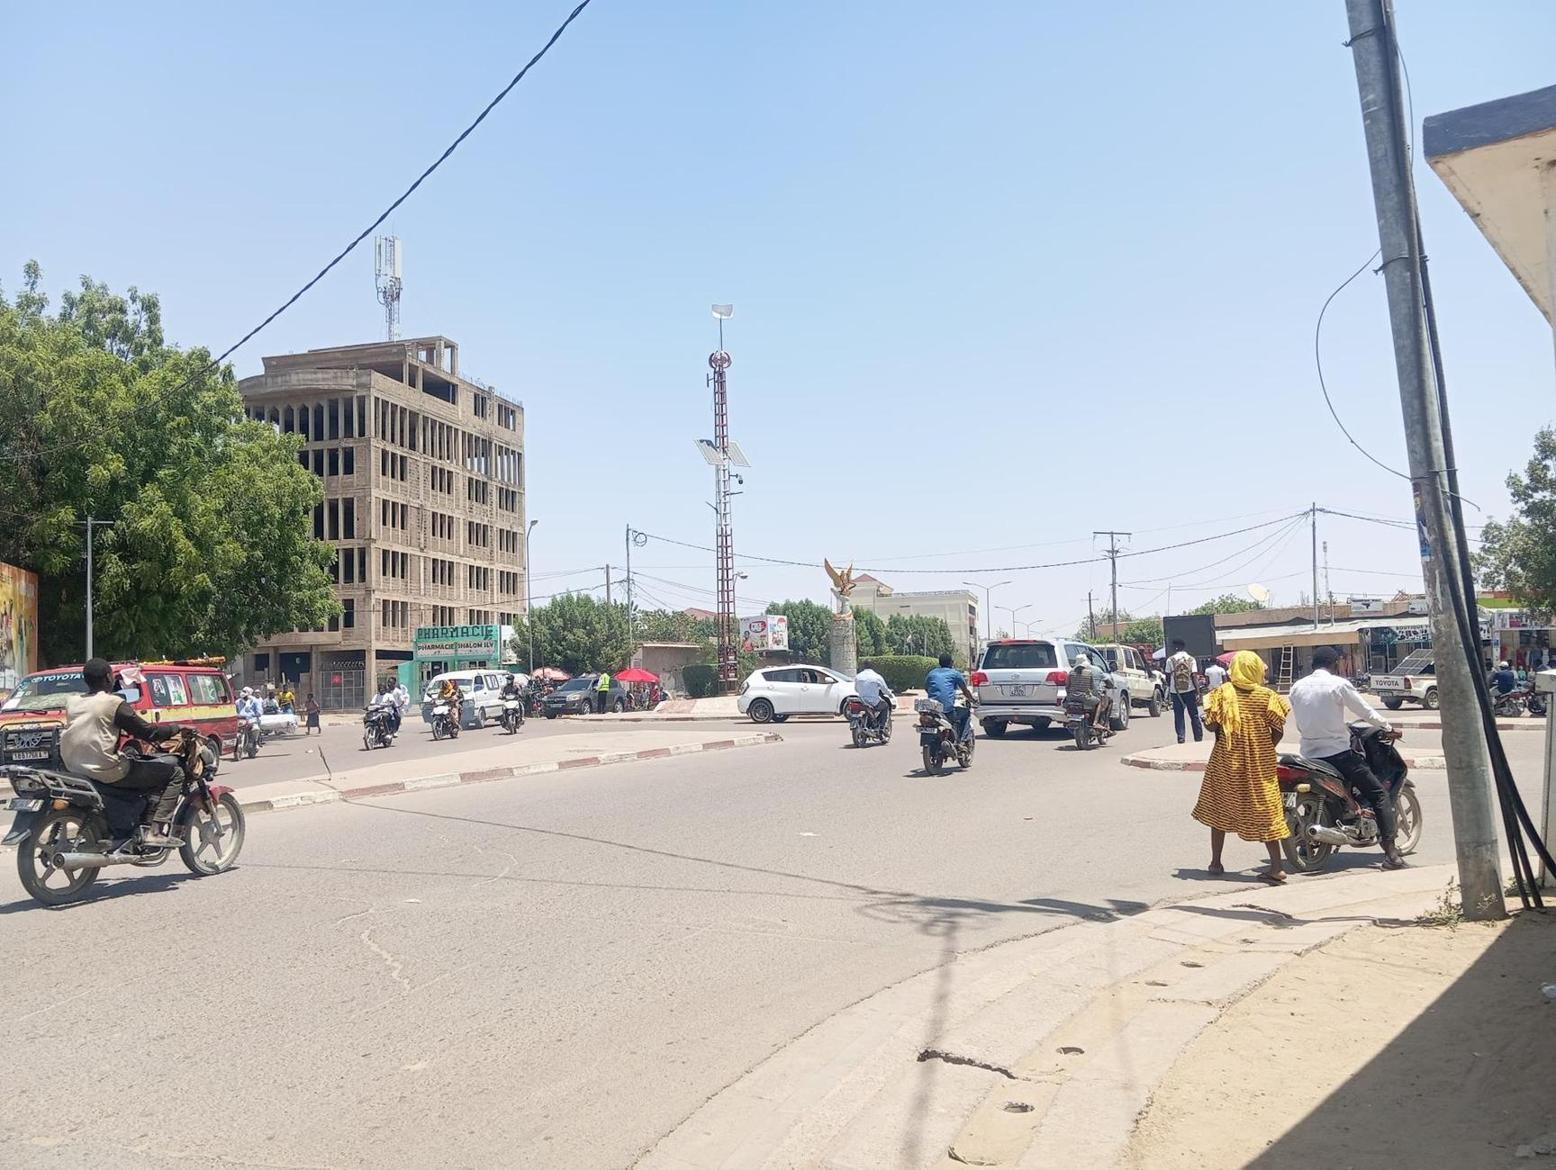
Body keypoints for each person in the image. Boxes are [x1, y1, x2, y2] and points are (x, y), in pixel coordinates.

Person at [1290, 645, 1405, 869]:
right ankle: (1391, 854)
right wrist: (1387, 726)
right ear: (1334, 664)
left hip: (1308, 754)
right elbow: (1365, 711)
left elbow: (1305, 718)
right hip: (1337, 754)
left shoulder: (1297, 687)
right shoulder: (1338, 684)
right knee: (1379, 795)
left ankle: (1308, 843)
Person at [61, 658, 189, 849]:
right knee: (175, 773)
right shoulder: (113, 703)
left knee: (135, 765)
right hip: (105, 770)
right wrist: (175, 728)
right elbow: (148, 732)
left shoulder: (73, 702)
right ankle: (155, 832)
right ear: (108, 677)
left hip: (74, 767)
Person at [1193, 650, 1292, 883]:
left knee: (1219, 806)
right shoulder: (1268, 696)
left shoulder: (1221, 694)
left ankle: (1216, 863)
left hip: (1225, 761)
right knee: (1267, 809)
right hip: (1260, 762)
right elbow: (1278, 729)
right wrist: (1264, 748)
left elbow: (1211, 726)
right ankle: (1276, 867)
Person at [925, 653, 975, 741]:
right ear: (951, 663)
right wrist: (972, 700)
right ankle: (962, 740)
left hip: (932, 709)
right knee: (966, 713)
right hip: (947, 711)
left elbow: (927, 688)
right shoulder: (955, 673)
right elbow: (965, 691)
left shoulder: (932, 673)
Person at [1165, 639, 1203, 745]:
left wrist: (1171, 686)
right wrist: (1198, 692)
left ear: (1176, 647)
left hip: (1176, 692)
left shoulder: (1170, 660)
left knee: (1178, 715)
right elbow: (1194, 676)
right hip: (1190, 690)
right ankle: (1198, 737)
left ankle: (1181, 737)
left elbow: (1167, 676)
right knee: (1194, 714)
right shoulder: (1191, 659)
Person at [1067, 652, 1110, 731]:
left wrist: (1070, 695)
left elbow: (1067, 687)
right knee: (1099, 702)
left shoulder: (1071, 672)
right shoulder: (1088, 673)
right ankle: (1095, 722)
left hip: (1072, 697)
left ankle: (1068, 717)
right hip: (1085, 697)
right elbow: (1091, 687)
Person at [853, 665, 894, 731]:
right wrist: (890, 694)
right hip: (873, 701)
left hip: (862, 700)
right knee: (885, 706)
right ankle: (881, 727)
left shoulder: (858, 676)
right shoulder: (877, 676)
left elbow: (856, 689)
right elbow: (884, 689)